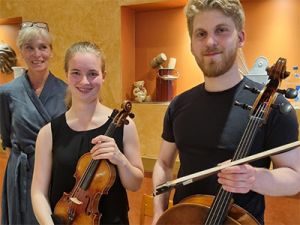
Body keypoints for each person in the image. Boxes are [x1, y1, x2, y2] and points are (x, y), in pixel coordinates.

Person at [152, 0, 300, 224]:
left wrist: (254, 178)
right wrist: (158, 213)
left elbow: (294, 176)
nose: (210, 41)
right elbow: (163, 164)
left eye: (221, 30)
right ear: (192, 44)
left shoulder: (275, 107)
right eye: (201, 34)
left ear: (240, 38)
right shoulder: (179, 105)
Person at [31, 41, 144, 225]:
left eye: (92, 74)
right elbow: (38, 192)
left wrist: (120, 159)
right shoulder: (48, 133)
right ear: (66, 74)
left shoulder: (125, 125)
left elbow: (135, 184)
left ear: (103, 76)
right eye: (76, 73)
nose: (84, 81)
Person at [0, 21, 67, 225]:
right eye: (29, 48)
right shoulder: (6, 92)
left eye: (42, 47)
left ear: (51, 51)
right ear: (21, 51)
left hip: (54, 171)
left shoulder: (67, 92)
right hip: (21, 171)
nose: (37, 54)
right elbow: (7, 138)